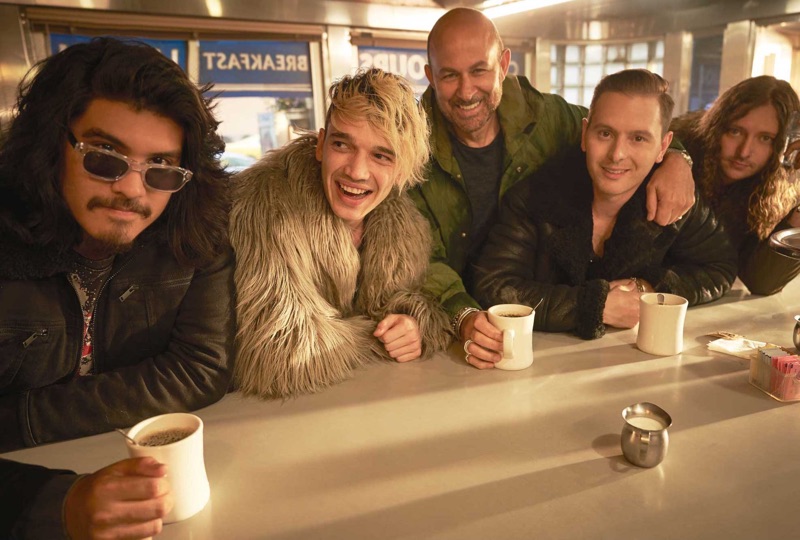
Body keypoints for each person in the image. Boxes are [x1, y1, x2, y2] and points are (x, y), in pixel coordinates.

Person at [0, 38, 235, 538]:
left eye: (161, 168)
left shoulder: (193, 232)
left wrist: (18, 417)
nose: (131, 189)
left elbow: (201, 367)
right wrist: (56, 503)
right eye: (105, 157)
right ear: (51, 145)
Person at [412, 7, 697, 366]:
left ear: (503, 65)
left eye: (479, 70)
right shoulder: (409, 146)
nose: (467, 90)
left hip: (539, 328)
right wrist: (461, 313)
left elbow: (622, 129)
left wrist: (678, 159)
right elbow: (420, 256)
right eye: (450, 75)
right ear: (430, 77)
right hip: (447, 325)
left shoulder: (547, 117)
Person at [230, 68, 451, 398]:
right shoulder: (266, 205)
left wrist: (416, 326)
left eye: (381, 155)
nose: (357, 171)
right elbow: (280, 356)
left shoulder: (403, 226)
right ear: (321, 145)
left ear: (402, 168)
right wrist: (379, 338)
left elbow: (404, 303)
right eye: (342, 144)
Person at [472, 69, 736, 342]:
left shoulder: (674, 200)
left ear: (663, 146)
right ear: (585, 134)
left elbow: (719, 267)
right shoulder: (534, 197)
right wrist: (594, 306)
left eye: (638, 138)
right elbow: (494, 285)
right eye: (605, 133)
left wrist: (650, 289)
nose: (617, 154)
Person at [671, 76, 800, 295]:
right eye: (736, 131)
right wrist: (673, 157)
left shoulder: (768, 192)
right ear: (717, 127)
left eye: (765, 138)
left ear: (783, 146)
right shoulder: (681, 153)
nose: (744, 151)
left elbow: (762, 281)